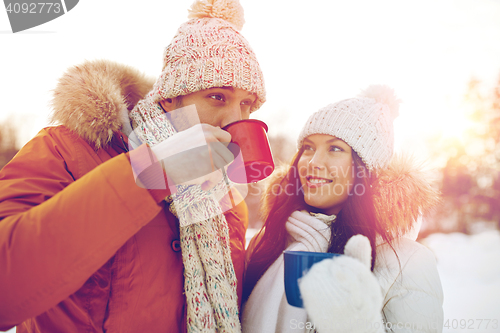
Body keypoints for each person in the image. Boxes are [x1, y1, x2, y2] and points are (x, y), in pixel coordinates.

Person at [0, 0, 266, 332]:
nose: (235, 120)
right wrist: (152, 172)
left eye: (247, 104)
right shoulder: (66, 150)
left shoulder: (225, 199)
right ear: (171, 99)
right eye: (217, 97)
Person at [242, 85, 444, 333]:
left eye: (335, 148)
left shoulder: (408, 262)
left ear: (365, 169)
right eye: (307, 147)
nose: (313, 163)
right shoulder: (267, 241)